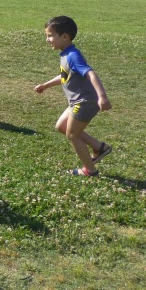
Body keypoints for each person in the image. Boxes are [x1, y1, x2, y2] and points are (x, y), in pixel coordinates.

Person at [34, 16, 112, 176]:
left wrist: (102, 97)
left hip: (85, 102)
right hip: (77, 101)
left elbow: (91, 73)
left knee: (72, 134)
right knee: (62, 126)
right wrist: (45, 85)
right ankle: (99, 147)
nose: (47, 40)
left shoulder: (73, 56)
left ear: (64, 37)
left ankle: (90, 170)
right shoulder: (66, 54)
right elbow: (64, 76)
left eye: (50, 36)